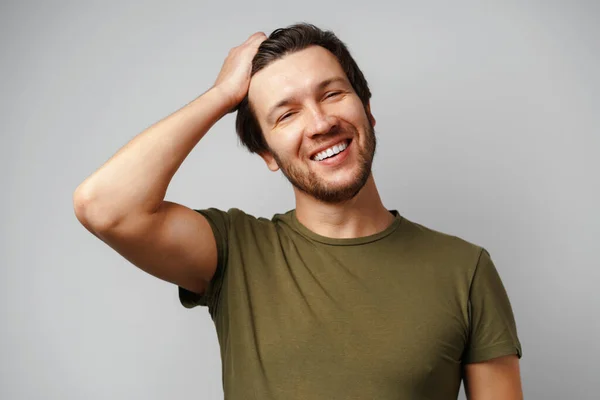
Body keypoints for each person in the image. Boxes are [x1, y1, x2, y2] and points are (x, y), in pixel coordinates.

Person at [73, 23, 523, 400]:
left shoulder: (465, 270)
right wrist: (220, 95)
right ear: (266, 153)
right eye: (285, 115)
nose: (320, 123)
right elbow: (104, 206)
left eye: (331, 94)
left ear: (367, 109)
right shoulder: (236, 252)